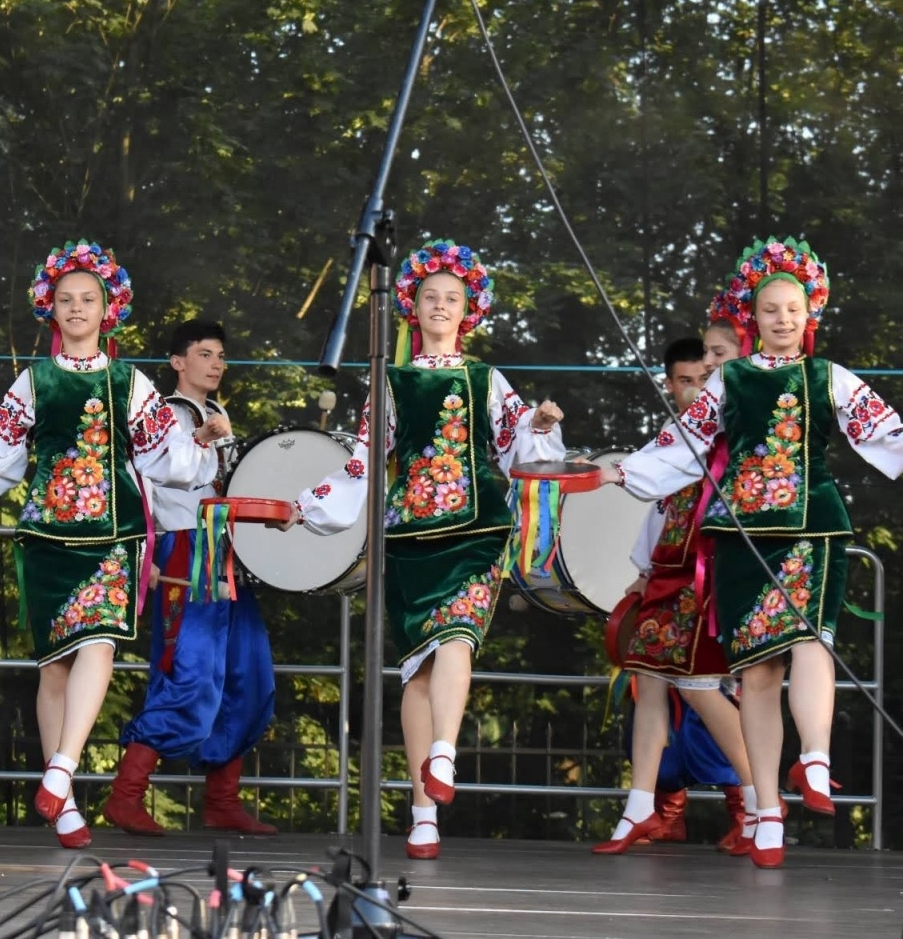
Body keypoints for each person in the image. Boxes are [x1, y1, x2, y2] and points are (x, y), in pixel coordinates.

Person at [601, 237, 903, 868]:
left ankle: (813, 760)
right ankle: (767, 812)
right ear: (753, 318)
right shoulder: (728, 380)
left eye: (793, 308)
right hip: (739, 538)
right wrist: (616, 474)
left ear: (809, 312)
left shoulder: (830, 377)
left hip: (812, 528)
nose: (784, 319)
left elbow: (889, 436)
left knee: (812, 638)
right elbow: (679, 447)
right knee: (756, 676)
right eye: (771, 310)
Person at [0, 240, 224, 849]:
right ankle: (61, 801)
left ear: (106, 308)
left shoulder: (131, 382)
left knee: (100, 645)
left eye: (87, 299)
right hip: (46, 535)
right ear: (51, 309)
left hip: (112, 533)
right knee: (55, 668)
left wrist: (203, 443)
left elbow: (164, 458)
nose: (76, 308)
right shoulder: (33, 381)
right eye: (65, 300)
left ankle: (60, 768)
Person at [282, 239, 565, 860]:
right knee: (419, 669)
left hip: (474, 533)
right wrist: (304, 507)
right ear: (411, 306)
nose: (441, 306)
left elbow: (522, 445)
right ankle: (421, 811)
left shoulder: (486, 380)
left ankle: (445, 753)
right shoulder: (389, 381)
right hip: (409, 538)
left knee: (458, 636)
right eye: (431, 297)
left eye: (452, 298)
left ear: (469, 310)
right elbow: (362, 462)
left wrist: (540, 426)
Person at [103, 318, 278, 836]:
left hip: (227, 552)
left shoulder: (218, 413)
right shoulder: (162, 415)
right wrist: (145, 555)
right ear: (178, 362)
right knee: (191, 672)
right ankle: (125, 795)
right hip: (185, 551)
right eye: (205, 354)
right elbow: (140, 485)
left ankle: (222, 799)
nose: (216, 364)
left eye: (220, 355)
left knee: (249, 673)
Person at [596, 334, 752, 855]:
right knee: (648, 679)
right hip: (668, 568)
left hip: (711, 569)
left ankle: (757, 802)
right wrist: (643, 570)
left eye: (706, 377)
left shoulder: (738, 427)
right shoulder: (673, 433)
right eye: (687, 380)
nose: (696, 388)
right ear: (670, 385)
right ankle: (640, 806)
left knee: (702, 687)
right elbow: (659, 510)